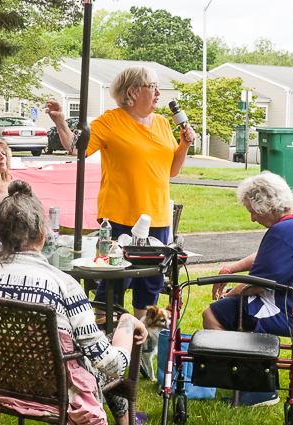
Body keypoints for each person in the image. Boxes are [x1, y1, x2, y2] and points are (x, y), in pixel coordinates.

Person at [0, 180, 148, 425]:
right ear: (43, 235)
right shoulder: (64, 285)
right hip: (54, 387)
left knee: (86, 353)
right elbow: (112, 365)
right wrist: (127, 323)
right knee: (99, 353)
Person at [45, 65, 196, 320]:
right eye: (153, 87)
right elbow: (75, 148)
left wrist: (184, 144)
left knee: (149, 284)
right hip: (119, 217)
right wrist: (61, 121)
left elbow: (171, 171)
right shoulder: (111, 120)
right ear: (134, 92)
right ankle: (103, 341)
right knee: (115, 281)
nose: (158, 93)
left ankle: (139, 344)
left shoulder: (161, 123)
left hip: (157, 217)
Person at [202, 171, 293, 407]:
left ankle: (257, 388)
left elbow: (254, 286)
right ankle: (255, 375)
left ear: (268, 205)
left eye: (253, 212)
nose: (252, 219)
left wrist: (228, 295)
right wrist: (231, 268)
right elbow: (268, 258)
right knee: (232, 308)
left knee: (214, 314)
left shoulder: (283, 231)